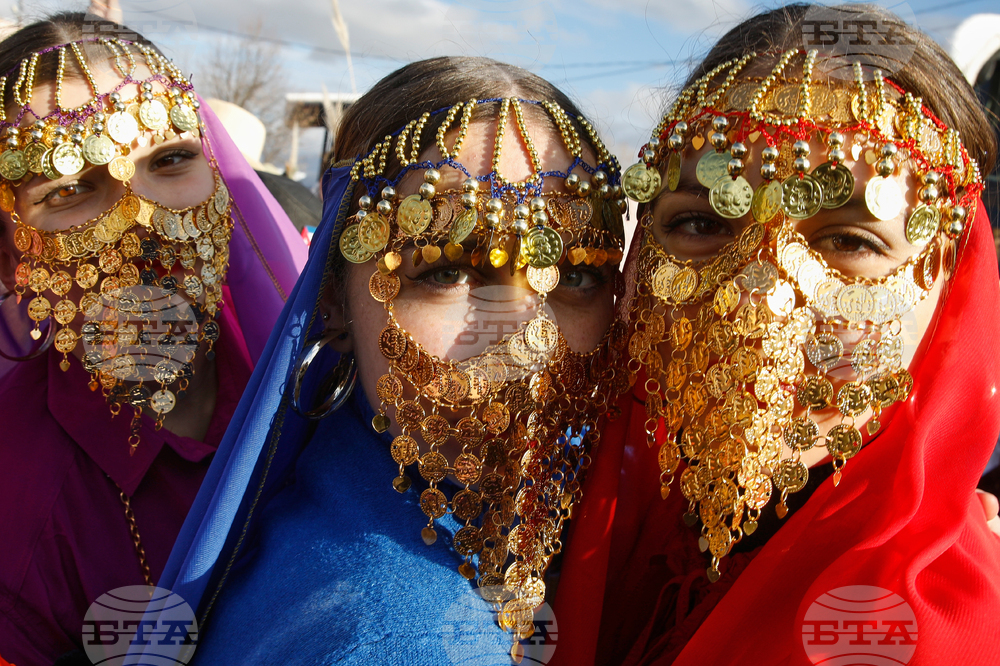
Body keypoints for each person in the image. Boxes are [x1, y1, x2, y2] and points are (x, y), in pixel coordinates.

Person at [551, 4, 1000, 665]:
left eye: (850, 239)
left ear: (953, 287)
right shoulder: (574, 512)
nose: (758, 300)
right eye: (702, 225)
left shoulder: (927, 629)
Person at [150, 56, 629, 663]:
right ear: (333, 303)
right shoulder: (410, 641)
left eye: (578, 273)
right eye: (449, 269)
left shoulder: (334, 488)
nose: (524, 337)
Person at [0, 13, 307, 664]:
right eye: (72, 187)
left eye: (170, 160)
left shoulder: (313, 381)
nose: (144, 224)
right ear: (9, 258)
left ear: (221, 181)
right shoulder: (16, 502)